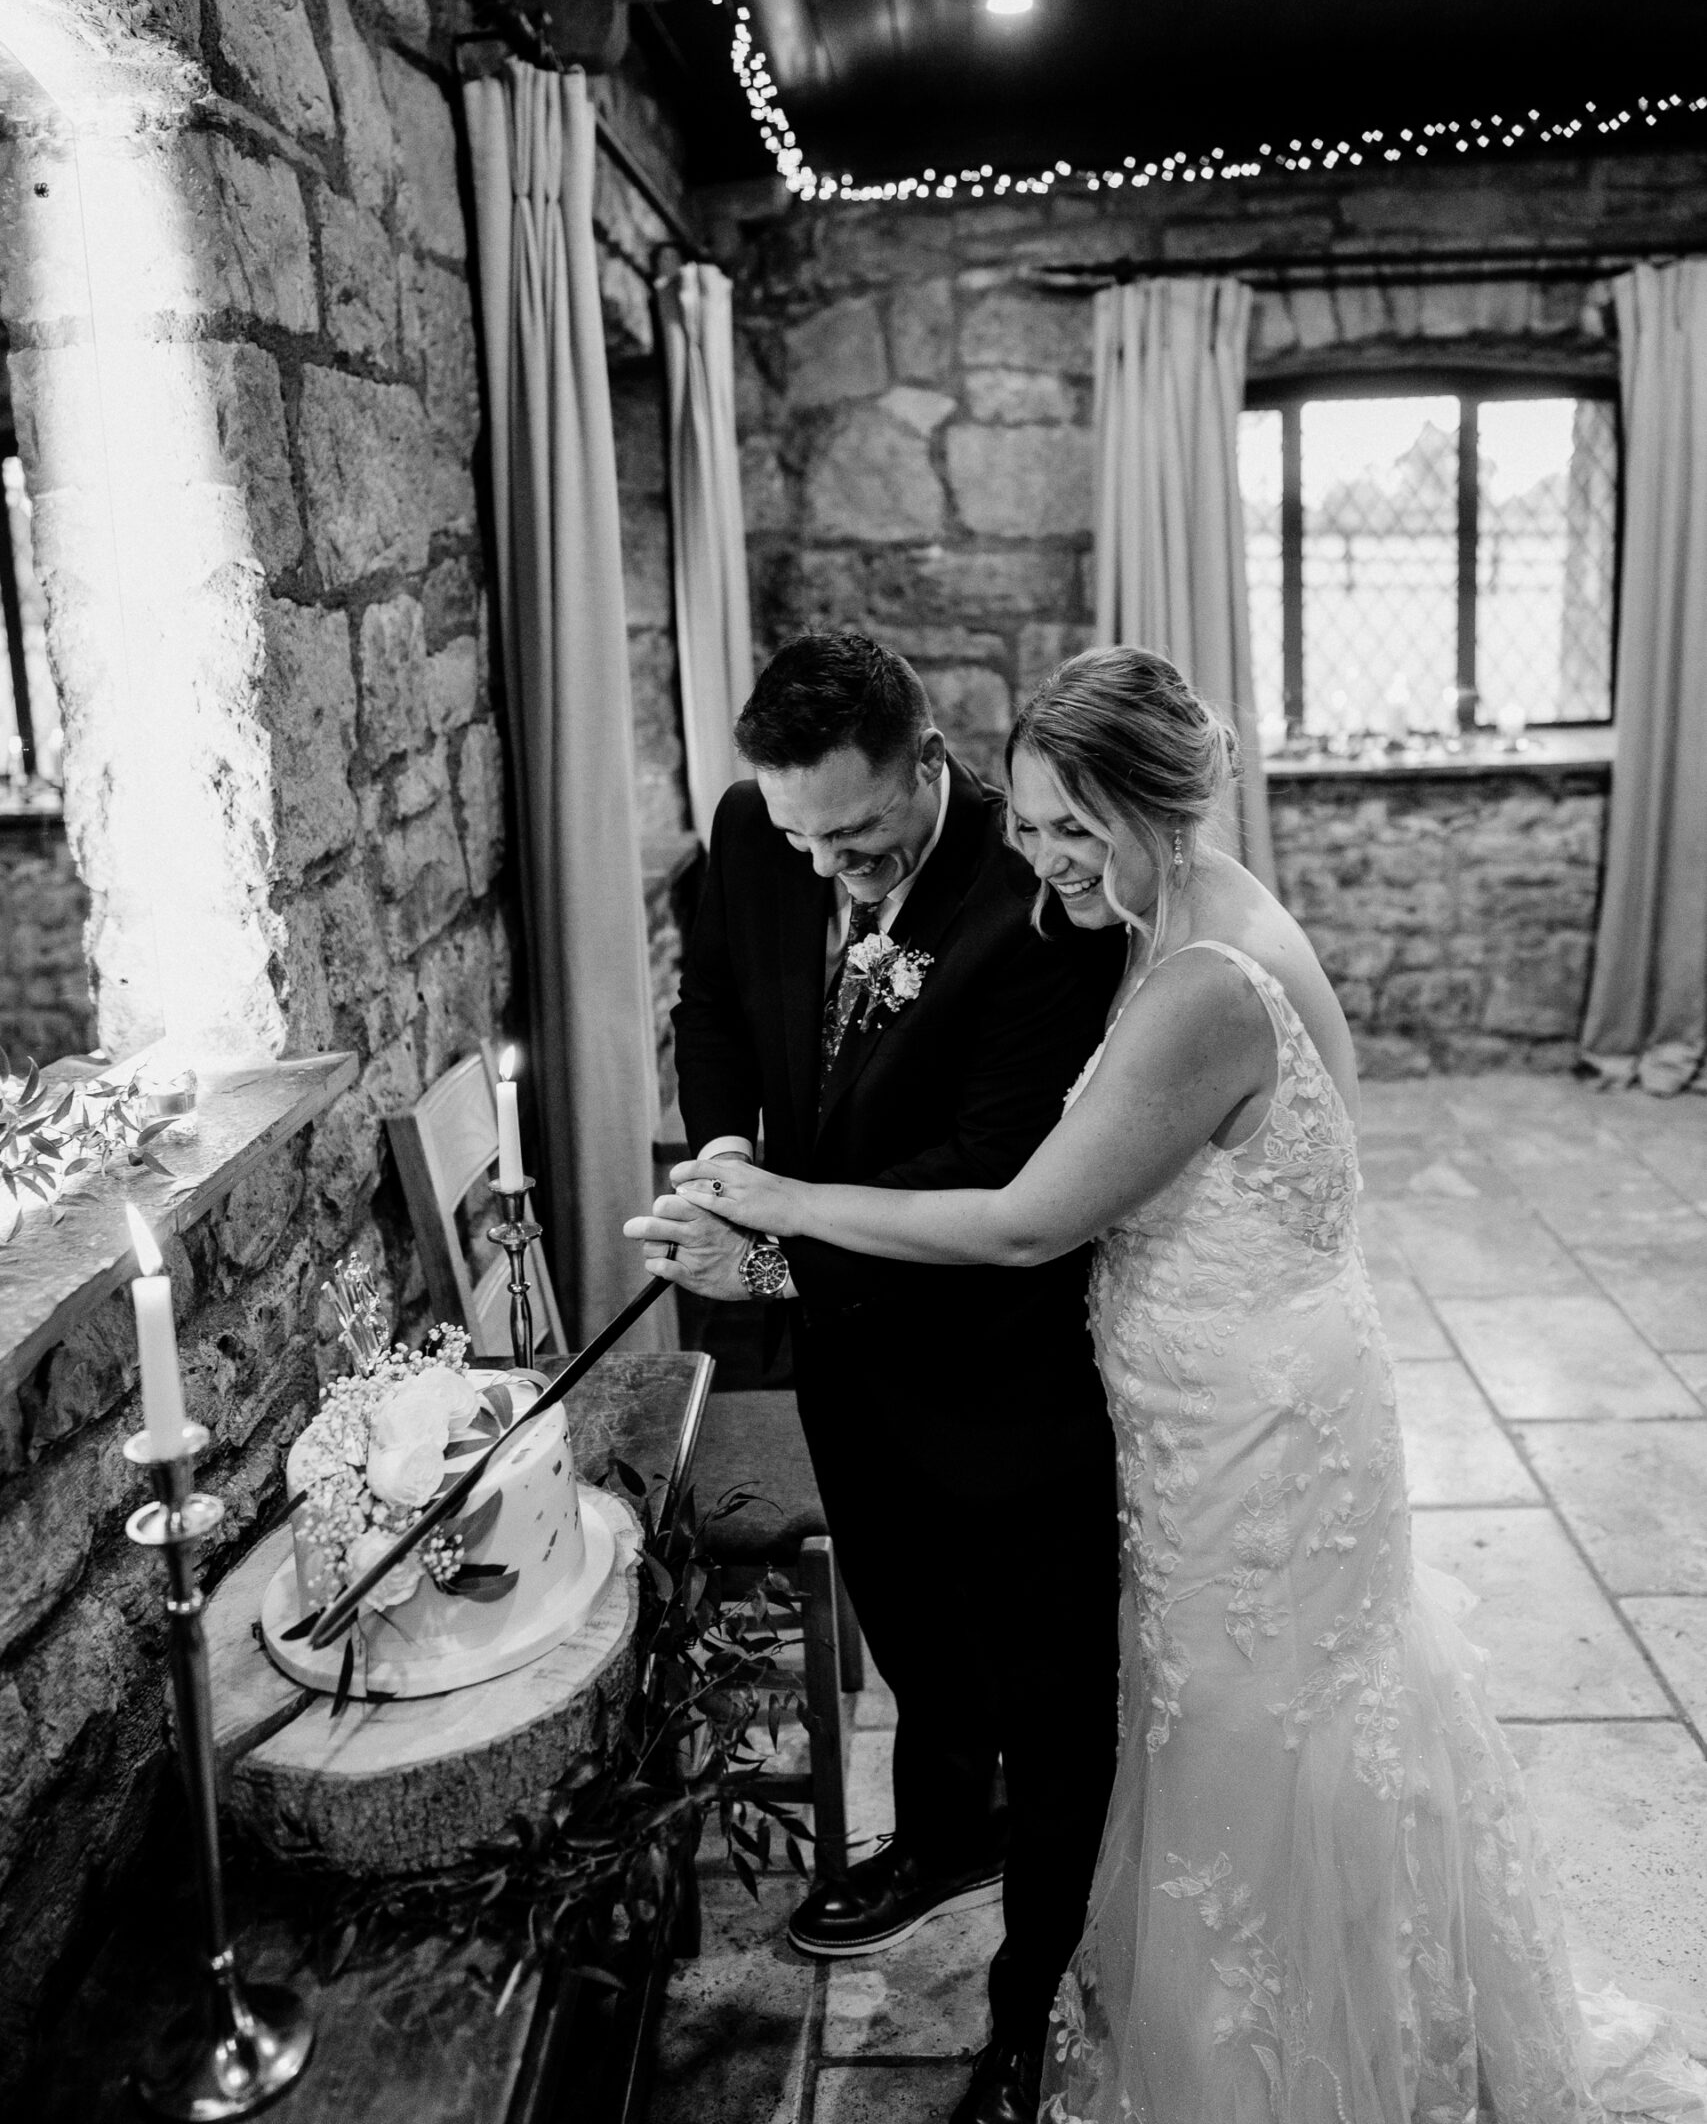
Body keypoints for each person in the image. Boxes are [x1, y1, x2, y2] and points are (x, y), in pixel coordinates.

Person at [655, 645, 1707, 2124]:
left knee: (1250, 1713)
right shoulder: (1150, 917)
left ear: (1166, 808)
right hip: (1212, 1361)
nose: (1042, 863)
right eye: (1029, 824)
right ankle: (1261, 1990)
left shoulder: (1205, 977)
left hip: (1250, 1409)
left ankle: (1301, 2048)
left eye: (1077, 829)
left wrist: (784, 1209)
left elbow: (1027, 1214)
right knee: (1218, 1713)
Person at [626, 630, 1127, 2124]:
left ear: (928, 767)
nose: (825, 863)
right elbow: (715, 1004)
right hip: (850, 1355)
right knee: (907, 1613)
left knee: (1048, 1694)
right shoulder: (752, 829)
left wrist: (768, 1263)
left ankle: (1034, 1999)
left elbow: (991, 1179)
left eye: (854, 835)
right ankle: (938, 1836)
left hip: (997, 1362)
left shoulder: (1041, 905)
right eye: (798, 836)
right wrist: (724, 1153)